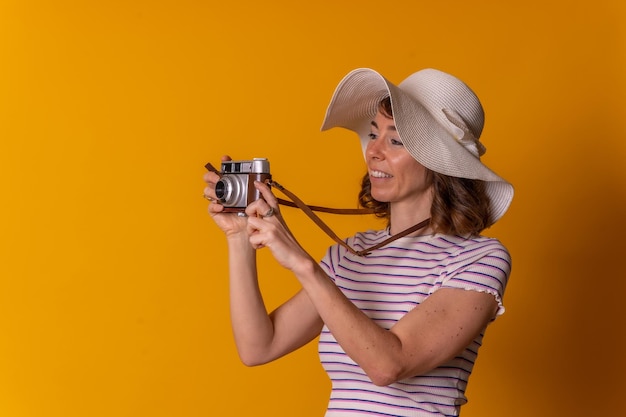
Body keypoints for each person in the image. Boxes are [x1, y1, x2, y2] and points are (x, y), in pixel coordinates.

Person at [203, 68, 514, 417]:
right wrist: (239, 235)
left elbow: (389, 365)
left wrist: (302, 262)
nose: (373, 152)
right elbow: (258, 347)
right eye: (373, 135)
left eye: (395, 140)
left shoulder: (479, 258)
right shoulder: (350, 254)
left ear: (440, 162)